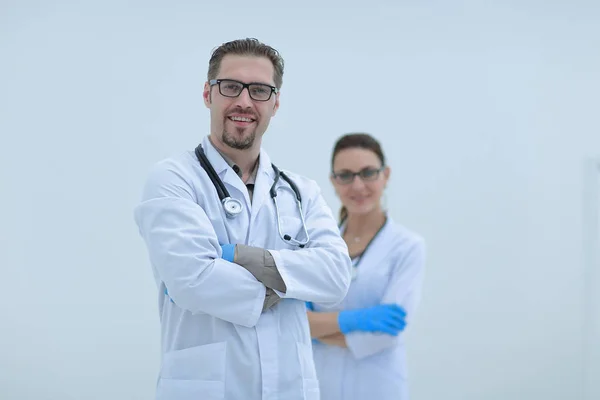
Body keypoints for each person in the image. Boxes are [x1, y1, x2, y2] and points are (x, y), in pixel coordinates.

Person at [133, 38, 352, 400]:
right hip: (205, 389)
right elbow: (192, 280)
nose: (244, 102)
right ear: (208, 94)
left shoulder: (301, 191)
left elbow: (336, 277)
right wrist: (293, 281)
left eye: (260, 90)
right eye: (231, 87)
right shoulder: (173, 180)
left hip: (290, 388)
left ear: (276, 103)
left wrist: (241, 258)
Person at [306, 133, 426, 400]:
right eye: (346, 175)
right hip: (318, 383)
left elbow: (386, 335)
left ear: (386, 175)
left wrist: (316, 329)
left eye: (368, 173)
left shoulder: (407, 247)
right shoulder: (315, 245)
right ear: (333, 182)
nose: (357, 185)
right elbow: (293, 323)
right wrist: (354, 322)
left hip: (378, 387)